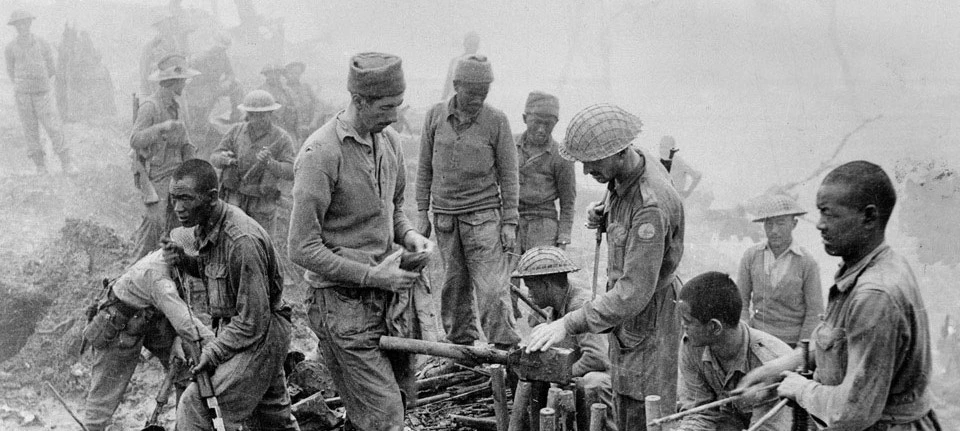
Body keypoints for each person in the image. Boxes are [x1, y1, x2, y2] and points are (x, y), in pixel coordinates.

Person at [289, 52, 434, 431]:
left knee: (396, 403)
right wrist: (373, 277)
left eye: (398, 106)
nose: (395, 116)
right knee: (385, 417)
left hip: (387, 303)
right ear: (359, 100)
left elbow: (394, 209)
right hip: (341, 306)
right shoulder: (320, 154)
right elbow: (301, 248)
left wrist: (411, 236)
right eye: (387, 107)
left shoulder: (389, 142)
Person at [737, 161, 941, 430]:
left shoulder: (875, 295)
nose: (820, 225)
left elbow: (853, 412)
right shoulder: (866, 268)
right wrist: (771, 371)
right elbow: (829, 342)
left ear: (869, 217)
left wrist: (801, 388)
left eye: (829, 214)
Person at [526, 104, 684, 430]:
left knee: (645, 412)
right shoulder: (628, 169)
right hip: (629, 321)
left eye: (592, 162)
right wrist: (605, 212)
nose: (585, 171)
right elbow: (624, 203)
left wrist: (569, 324)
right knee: (623, 401)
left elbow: (633, 293)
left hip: (650, 318)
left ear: (619, 152)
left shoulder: (649, 206)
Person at [164, 159, 299, 430]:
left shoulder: (241, 241)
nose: (178, 208)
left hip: (261, 335)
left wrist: (213, 351)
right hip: (251, 331)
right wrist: (185, 260)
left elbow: (252, 321)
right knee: (272, 418)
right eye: (174, 198)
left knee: (196, 405)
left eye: (186, 199)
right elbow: (217, 275)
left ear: (212, 197)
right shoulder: (207, 225)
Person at [416, 54, 521, 350]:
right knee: (453, 285)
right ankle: (461, 345)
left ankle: (504, 349)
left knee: (491, 288)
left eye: (484, 91)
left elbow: (509, 175)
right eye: (472, 91)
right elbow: (425, 168)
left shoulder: (496, 121)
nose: (478, 98)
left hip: (484, 217)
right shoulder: (435, 116)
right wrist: (422, 213)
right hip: (446, 218)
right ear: (456, 85)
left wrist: (510, 222)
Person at [82, 227, 214, 431]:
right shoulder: (158, 276)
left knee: (188, 365)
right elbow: (185, 322)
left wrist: (181, 339)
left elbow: (182, 310)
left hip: (151, 317)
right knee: (104, 396)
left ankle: (186, 425)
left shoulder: (175, 267)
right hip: (120, 325)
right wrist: (219, 344)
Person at [513, 246, 617, 431]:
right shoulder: (556, 305)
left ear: (546, 284)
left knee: (593, 382)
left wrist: (560, 377)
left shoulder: (580, 305)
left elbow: (597, 359)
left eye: (531, 287)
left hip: (610, 381)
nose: (528, 294)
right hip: (582, 379)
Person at [676, 271, 793, 431]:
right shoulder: (692, 346)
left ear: (714, 327)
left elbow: (767, 427)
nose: (683, 325)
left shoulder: (770, 362)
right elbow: (699, 414)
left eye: (688, 321)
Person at [131, 54, 198, 260]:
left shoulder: (175, 106)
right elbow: (135, 139)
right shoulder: (151, 106)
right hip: (157, 178)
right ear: (173, 81)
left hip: (177, 176)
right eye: (183, 80)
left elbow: (184, 140)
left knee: (180, 228)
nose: (185, 83)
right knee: (153, 227)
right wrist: (161, 128)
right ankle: (132, 273)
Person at [738, 194, 824, 347]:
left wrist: (800, 351)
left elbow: (814, 313)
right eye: (769, 224)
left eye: (781, 223)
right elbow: (741, 302)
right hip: (757, 340)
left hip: (791, 344)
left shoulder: (807, 262)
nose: (774, 230)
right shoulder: (751, 256)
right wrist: (745, 338)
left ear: (794, 224)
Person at [209, 89, 295, 235]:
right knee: (232, 239)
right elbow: (214, 157)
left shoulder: (282, 138)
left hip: (263, 202)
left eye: (263, 114)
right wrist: (225, 160)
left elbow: (291, 170)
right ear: (247, 114)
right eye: (253, 114)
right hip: (234, 199)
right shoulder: (235, 131)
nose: (257, 118)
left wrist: (270, 163)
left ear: (271, 114)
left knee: (263, 244)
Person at [5, 10, 73, 174]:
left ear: (30, 23)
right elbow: (11, 71)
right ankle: (40, 166)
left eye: (25, 22)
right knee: (30, 129)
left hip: (42, 92)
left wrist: (40, 83)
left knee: (53, 126)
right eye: (19, 24)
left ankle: (67, 164)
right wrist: (22, 85)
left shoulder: (42, 43)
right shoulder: (10, 48)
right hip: (23, 94)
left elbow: (51, 67)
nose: (22, 26)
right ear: (15, 26)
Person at [515, 91, 576, 252]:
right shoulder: (509, 145)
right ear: (524, 119)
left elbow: (568, 201)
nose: (542, 129)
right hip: (511, 220)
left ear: (556, 123)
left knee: (539, 272)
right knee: (506, 273)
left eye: (548, 124)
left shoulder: (561, 155)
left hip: (543, 223)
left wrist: (563, 238)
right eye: (536, 122)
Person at [186, 33, 243, 157]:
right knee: (200, 118)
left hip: (216, 85)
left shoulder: (223, 56)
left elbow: (230, 73)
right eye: (219, 48)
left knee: (237, 85)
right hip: (199, 88)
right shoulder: (200, 57)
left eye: (223, 49)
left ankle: (236, 115)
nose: (221, 51)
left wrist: (227, 82)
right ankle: (199, 135)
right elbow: (189, 77)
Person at [139, 14, 183, 97]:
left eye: (170, 22)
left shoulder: (176, 44)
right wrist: (145, 94)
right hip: (159, 89)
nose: (169, 25)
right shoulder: (150, 46)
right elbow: (144, 73)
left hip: (176, 89)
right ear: (158, 27)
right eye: (164, 23)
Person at [259, 62, 299, 140]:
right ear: (266, 75)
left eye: (277, 73)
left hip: (286, 127)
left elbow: (295, 108)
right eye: (270, 73)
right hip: (267, 128)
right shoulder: (261, 91)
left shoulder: (286, 90)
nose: (274, 76)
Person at [283, 61, 321, 143]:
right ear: (286, 75)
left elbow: (318, 105)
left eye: (297, 73)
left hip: (309, 128)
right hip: (291, 131)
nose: (295, 76)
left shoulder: (306, 87)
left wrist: (314, 121)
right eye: (292, 73)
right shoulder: (283, 90)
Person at [440, 31, 480, 101]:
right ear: (464, 44)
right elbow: (448, 83)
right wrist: (442, 100)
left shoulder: (481, 64)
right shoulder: (455, 62)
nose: (472, 47)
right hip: (455, 103)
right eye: (470, 44)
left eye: (475, 44)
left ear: (478, 46)